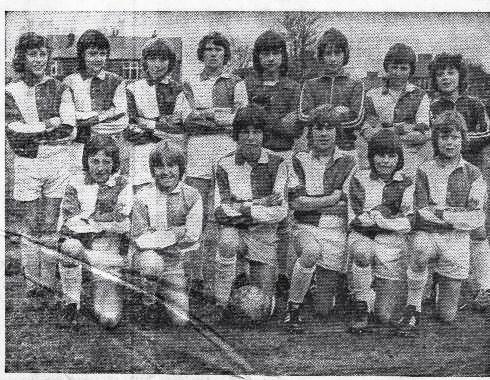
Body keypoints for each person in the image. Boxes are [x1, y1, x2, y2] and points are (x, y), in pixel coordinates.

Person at [397, 110, 487, 336]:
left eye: (455, 137)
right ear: (436, 140)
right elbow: (419, 212)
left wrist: (440, 213)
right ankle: (413, 307)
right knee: (419, 249)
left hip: (456, 242)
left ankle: (438, 280)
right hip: (428, 236)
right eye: (444, 137)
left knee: (447, 316)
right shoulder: (425, 169)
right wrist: (455, 216)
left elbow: (476, 219)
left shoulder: (474, 174)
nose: (449, 143)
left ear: (463, 140)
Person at [173, 32, 248, 296]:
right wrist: (216, 117)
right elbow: (184, 120)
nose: (213, 54)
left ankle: (230, 277)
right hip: (196, 158)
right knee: (197, 217)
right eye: (208, 49)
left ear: (225, 54)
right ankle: (195, 277)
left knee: (227, 216)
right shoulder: (190, 84)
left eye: (218, 50)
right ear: (201, 53)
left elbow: (239, 119)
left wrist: (206, 115)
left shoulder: (236, 82)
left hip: (227, 157)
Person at [6, 32, 76, 301]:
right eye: (32, 54)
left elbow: (69, 129)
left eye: (42, 54)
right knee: (29, 224)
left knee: (50, 223)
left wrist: (36, 131)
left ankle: (48, 281)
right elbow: (13, 129)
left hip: (57, 160)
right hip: (27, 163)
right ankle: (31, 282)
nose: (38, 59)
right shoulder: (10, 90)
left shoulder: (60, 87)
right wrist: (46, 125)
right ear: (22, 57)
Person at [284, 107, 356, 332]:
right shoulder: (299, 160)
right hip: (305, 228)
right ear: (310, 132)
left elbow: (347, 205)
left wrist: (314, 202)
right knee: (311, 251)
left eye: (329, 128)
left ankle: (322, 284)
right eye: (318, 128)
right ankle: (293, 307)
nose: (324, 134)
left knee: (323, 309)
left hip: (336, 232)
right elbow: (296, 203)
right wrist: (332, 197)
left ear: (337, 132)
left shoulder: (349, 161)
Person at [213, 105, 288, 318]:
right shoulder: (224, 163)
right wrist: (261, 203)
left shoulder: (279, 163)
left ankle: (245, 277)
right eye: (245, 132)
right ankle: (221, 302)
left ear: (264, 134)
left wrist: (243, 206)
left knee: (261, 307)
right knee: (227, 240)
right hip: (236, 231)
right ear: (237, 135)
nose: (251, 138)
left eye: (256, 132)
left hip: (264, 234)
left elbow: (280, 212)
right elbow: (220, 212)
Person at [429, 53, 490, 311]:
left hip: (471, 171)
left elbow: (486, 133)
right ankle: (437, 285)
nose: (445, 77)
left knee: (476, 227)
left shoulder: (474, 104)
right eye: (440, 74)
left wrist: (458, 139)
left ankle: (484, 287)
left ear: (459, 76)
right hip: (442, 173)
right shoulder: (432, 106)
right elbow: (433, 137)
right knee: (440, 223)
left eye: (450, 72)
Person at [245, 30, 302, 296]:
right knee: (256, 213)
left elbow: (292, 130)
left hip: (284, 156)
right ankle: (250, 272)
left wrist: (263, 117)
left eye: (275, 53)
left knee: (283, 218)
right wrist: (273, 122)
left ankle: (283, 273)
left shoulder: (292, 87)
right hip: (257, 158)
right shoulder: (248, 84)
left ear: (283, 56)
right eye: (265, 53)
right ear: (258, 57)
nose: (270, 58)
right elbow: (245, 124)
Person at [59, 135, 133, 328]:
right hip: (83, 246)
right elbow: (72, 222)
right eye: (95, 161)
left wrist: (89, 220)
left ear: (114, 163)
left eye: (106, 162)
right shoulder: (75, 182)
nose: (100, 168)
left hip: (109, 252)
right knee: (69, 246)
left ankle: (107, 289)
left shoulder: (123, 183)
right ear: (86, 161)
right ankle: (71, 303)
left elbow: (123, 222)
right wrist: (104, 222)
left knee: (109, 321)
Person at [347, 129, 413, 333]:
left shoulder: (407, 182)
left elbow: (409, 222)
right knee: (362, 252)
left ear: (399, 157)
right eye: (380, 155)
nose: (385, 161)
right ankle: (361, 304)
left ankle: (369, 291)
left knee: (384, 317)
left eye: (391, 156)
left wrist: (378, 217)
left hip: (392, 244)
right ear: (371, 156)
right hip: (363, 237)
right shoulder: (359, 178)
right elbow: (357, 220)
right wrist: (390, 218)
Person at [131, 140, 203, 326]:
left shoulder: (192, 195)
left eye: (171, 166)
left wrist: (158, 235)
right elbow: (140, 239)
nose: (166, 172)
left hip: (174, 262)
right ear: (152, 170)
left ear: (181, 168)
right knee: (152, 263)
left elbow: (193, 235)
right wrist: (176, 233)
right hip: (148, 258)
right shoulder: (142, 196)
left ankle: (165, 290)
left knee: (180, 320)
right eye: (159, 167)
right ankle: (148, 301)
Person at [362, 43, 431, 179]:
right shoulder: (372, 95)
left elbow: (422, 134)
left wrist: (385, 131)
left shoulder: (420, 95)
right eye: (394, 67)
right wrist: (404, 129)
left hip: (409, 156)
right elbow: (368, 132)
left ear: (411, 71)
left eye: (403, 68)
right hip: (379, 156)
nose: (398, 72)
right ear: (387, 67)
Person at [63, 29, 128, 174]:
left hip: (109, 147)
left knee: (109, 184)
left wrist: (90, 121)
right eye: (92, 54)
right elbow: (68, 118)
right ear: (82, 55)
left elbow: (121, 120)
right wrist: (106, 114)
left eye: (102, 54)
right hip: (77, 148)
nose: (98, 58)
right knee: (79, 185)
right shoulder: (70, 82)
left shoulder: (116, 81)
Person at [125, 37, 183, 193]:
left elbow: (178, 129)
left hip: (171, 152)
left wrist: (147, 123)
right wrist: (162, 124)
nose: (157, 65)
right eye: (152, 59)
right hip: (141, 153)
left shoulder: (178, 89)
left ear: (170, 62)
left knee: (171, 194)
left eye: (163, 59)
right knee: (142, 195)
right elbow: (130, 129)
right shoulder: (133, 88)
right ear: (145, 61)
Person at [299, 28, 365, 156]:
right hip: (315, 151)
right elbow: (303, 117)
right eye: (328, 53)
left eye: (337, 53)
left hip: (346, 149)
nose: (333, 59)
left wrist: (317, 113)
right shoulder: (310, 84)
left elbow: (357, 119)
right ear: (321, 56)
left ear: (345, 55)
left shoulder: (356, 84)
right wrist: (334, 111)